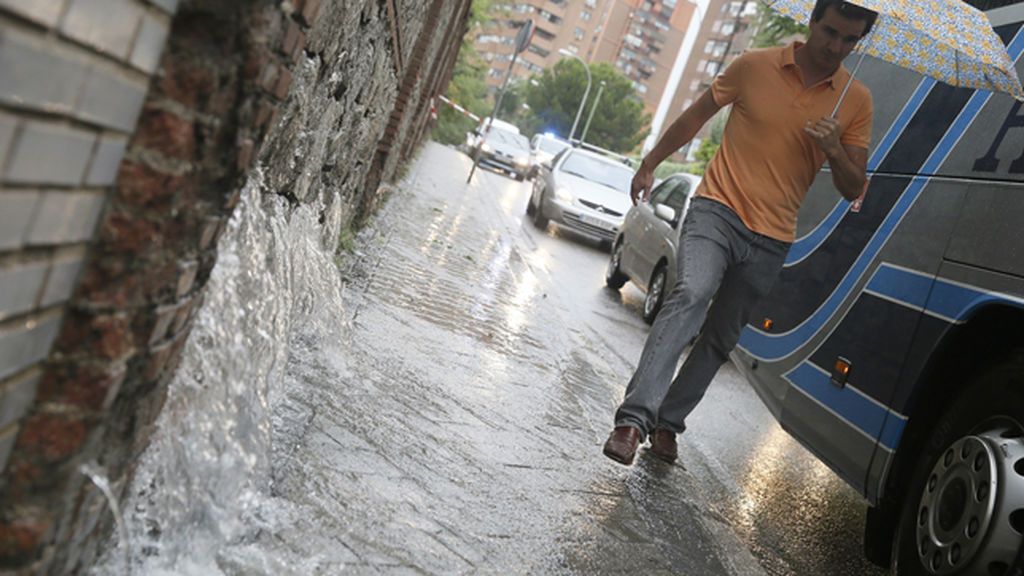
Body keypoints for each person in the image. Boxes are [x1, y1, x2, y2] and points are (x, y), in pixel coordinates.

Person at [603, 0, 878, 466]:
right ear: (812, 22)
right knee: (691, 293)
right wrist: (650, 162)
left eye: (850, 40)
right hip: (718, 209)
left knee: (720, 336)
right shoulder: (755, 65)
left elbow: (854, 188)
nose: (837, 47)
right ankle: (633, 420)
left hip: (773, 237)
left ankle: (669, 424)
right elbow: (695, 117)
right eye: (830, 32)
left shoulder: (856, 101)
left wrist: (833, 148)